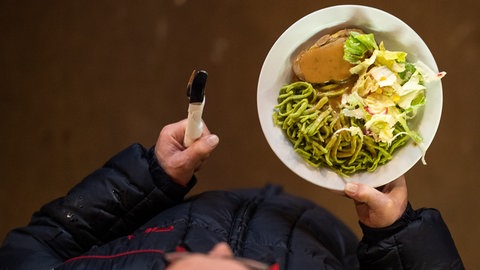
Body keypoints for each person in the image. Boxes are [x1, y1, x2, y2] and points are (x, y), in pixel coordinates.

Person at [0, 119, 464, 269]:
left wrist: (151, 178)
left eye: (177, 262)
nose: (220, 248)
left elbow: (36, 245)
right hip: (326, 235)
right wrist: (398, 235)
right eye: (244, 266)